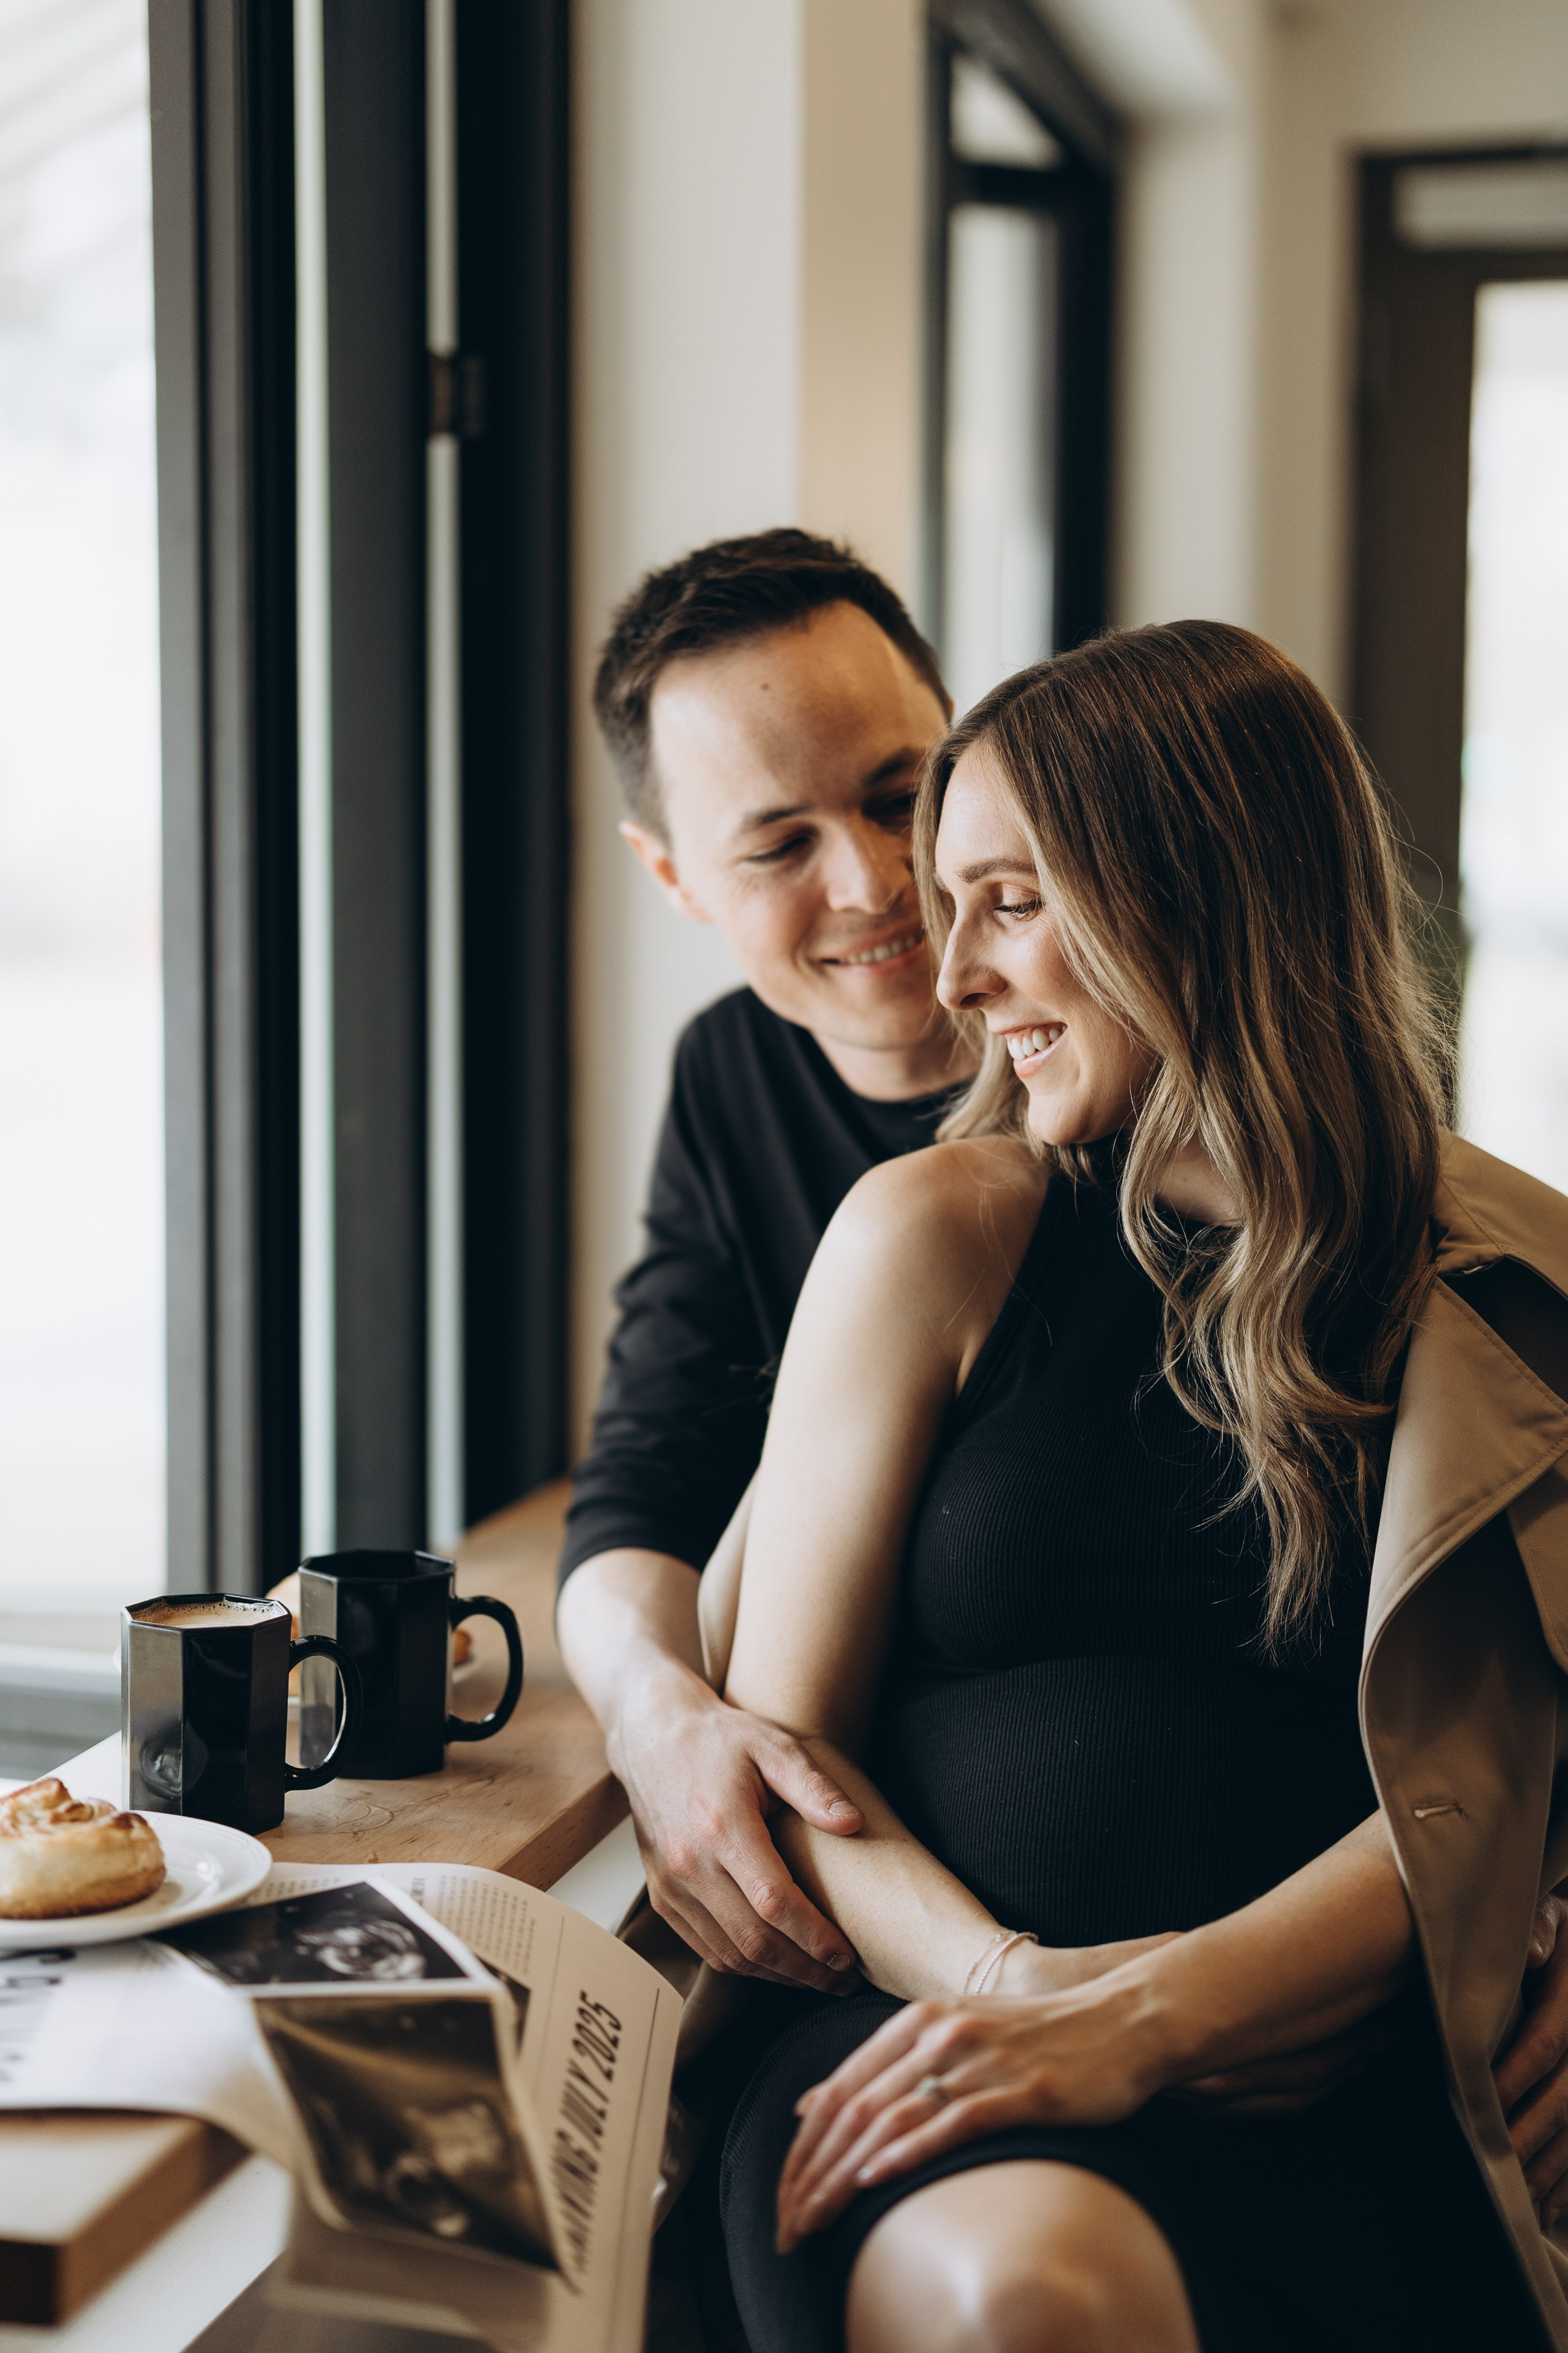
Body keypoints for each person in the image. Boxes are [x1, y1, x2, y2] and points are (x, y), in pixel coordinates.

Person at [715, 620, 1568, 2352]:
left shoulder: (1515, 1291)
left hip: (1380, 2081)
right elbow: (786, 1765)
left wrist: (1157, 2017)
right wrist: (1021, 2002)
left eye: (1011, 901)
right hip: (952, 2056)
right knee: (1034, 2303)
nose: (950, 974)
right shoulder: (933, 1239)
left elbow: (1488, 1773)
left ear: (1203, 893)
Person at [556, 531, 971, 1991]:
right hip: (875, 1902)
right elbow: (645, 1472)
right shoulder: (730, 1076)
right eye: (777, 843)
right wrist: (654, 1712)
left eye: (896, 795)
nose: (870, 882)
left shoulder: (1168, 1027)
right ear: (674, 878)